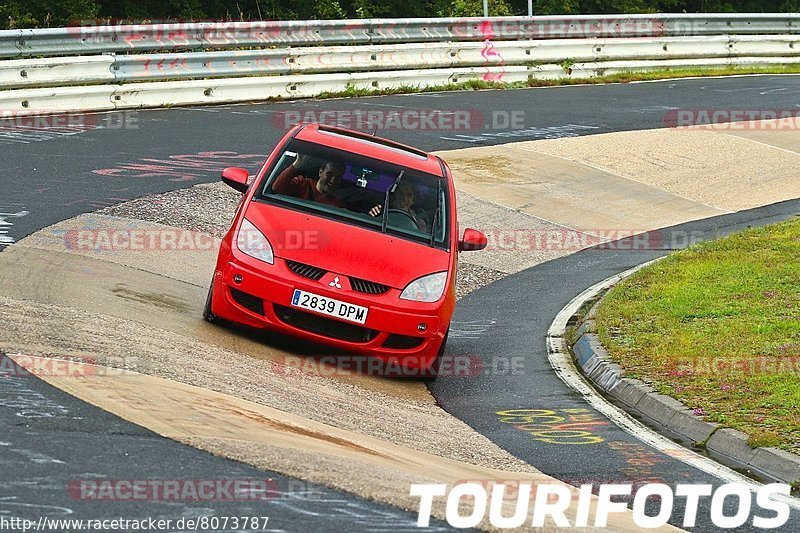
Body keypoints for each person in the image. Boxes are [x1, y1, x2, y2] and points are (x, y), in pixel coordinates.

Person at [272, 153, 346, 208]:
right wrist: (297, 164)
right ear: (320, 173)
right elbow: (277, 188)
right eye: (329, 174)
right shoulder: (302, 183)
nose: (333, 180)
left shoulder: (337, 204)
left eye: (338, 177)